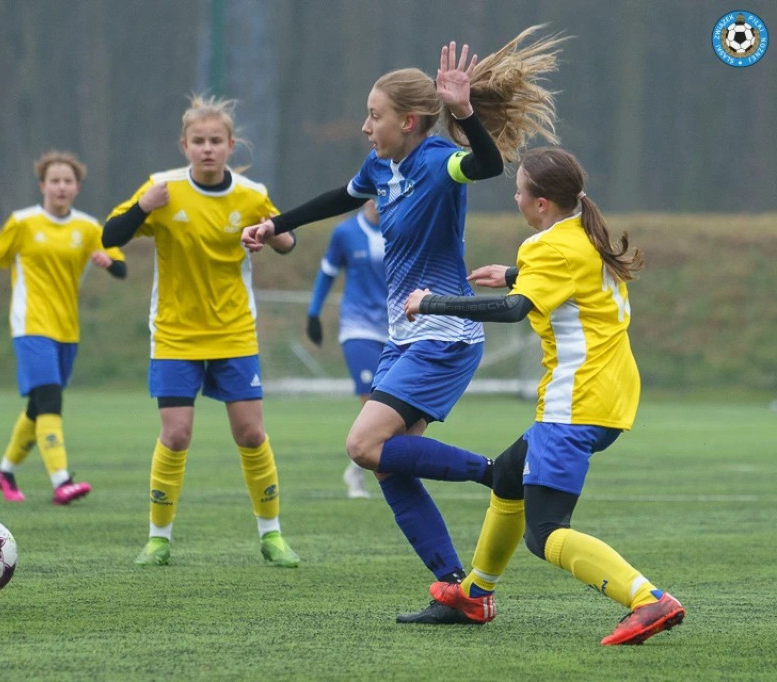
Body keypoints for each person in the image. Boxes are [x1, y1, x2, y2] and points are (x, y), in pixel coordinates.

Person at [242, 28, 566, 620]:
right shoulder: (380, 167)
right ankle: (461, 592)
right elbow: (340, 196)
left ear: (411, 122)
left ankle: (497, 474)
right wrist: (274, 223)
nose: (367, 127)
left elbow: (490, 164)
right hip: (406, 336)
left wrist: (465, 113)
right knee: (389, 463)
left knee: (363, 445)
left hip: (443, 335)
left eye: (375, 116)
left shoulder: (441, 164)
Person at [404, 146, 685, 645]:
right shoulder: (583, 234)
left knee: (546, 533)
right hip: (609, 395)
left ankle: (647, 599)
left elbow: (514, 312)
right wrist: (514, 276)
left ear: (540, 205)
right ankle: (475, 594)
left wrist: (431, 304)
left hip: (574, 402)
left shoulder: (545, 247)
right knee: (509, 477)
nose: (514, 197)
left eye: (518, 191)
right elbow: (572, 286)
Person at [101, 95, 300, 568]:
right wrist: (143, 208)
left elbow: (288, 240)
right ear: (184, 145)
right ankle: (158, 539)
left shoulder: (251, 194)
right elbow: (110, 237)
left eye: (216, 141)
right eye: (198, 141)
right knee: (176, 435)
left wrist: (269, 233)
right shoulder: (161, 189)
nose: (207, 149)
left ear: (231, 145)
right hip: (175, 333)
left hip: (234, 331)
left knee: (252, 434)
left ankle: (271, 535)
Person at [0, 150, 126, 505]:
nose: (61, 187)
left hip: (67, 329)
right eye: (54, 180)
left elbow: (121, 268)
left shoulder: (87, 227)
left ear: (77, 187)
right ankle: (62, 481)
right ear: (42, 185)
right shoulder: (23, 223)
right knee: (51, 399)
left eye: (68, 181)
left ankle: (5, 472)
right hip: (30, 325)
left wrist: (107, 263)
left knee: (39, 407)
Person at [305, 199, 385, 499]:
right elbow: (327, 272)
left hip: (397, 329)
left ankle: (357, 465)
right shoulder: (345, 232)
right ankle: (363, 467)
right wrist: (313, 313)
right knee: (373, 401)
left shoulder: (403, 227)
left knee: (394, 408)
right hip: (358, 328)